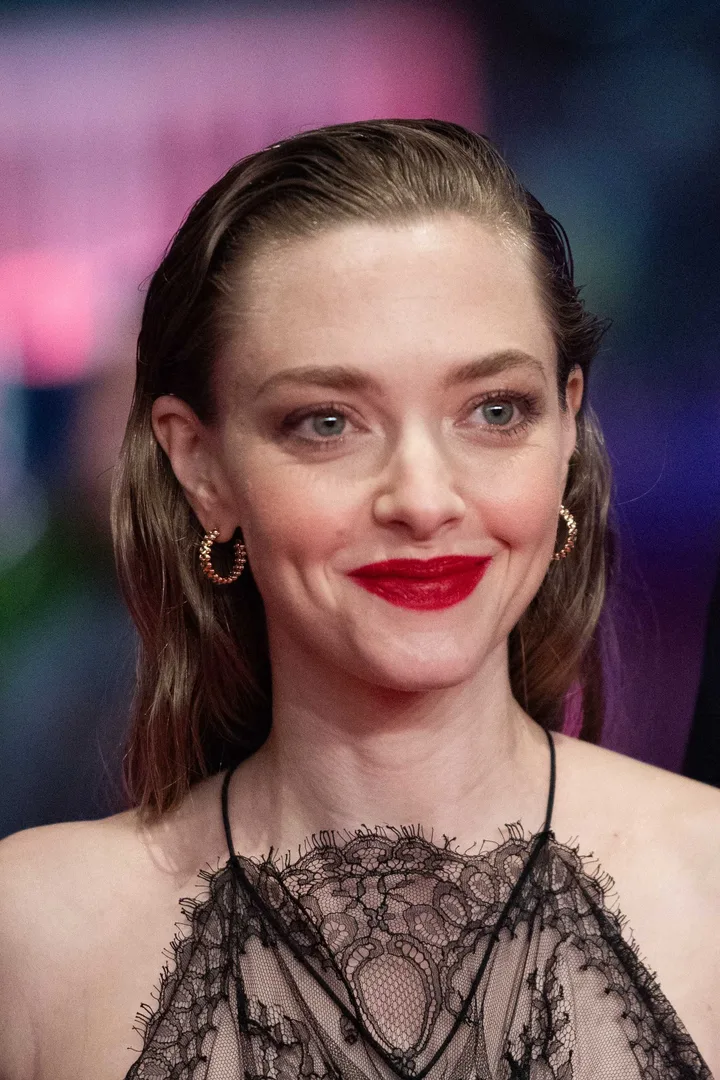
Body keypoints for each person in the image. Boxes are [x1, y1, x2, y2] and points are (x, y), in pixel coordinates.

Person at [0, 119, 717, 1080]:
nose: (423, 499)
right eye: (327, 422)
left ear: (565, 430)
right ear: (201, 466)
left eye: (495, 411)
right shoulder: (35, 938)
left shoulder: (708, 886)